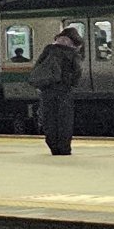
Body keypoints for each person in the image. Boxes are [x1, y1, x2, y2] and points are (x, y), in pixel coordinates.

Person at [31, 24, 83, 156]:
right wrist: (72, 84)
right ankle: (64, 148)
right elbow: (77, 71)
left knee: (49, 118)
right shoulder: (72, 53)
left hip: (47, 90)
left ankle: (53, 146)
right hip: (64, 90)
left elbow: (38, 67)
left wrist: (41, 85)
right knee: (64, 120)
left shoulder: (49, 49)